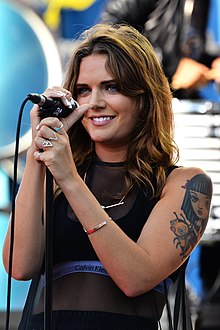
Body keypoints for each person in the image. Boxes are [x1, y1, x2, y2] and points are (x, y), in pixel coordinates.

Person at [3, 23, 213, 329]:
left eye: (112, 87)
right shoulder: (55, 175)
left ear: (144, 97)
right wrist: (40, 152)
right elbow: (19, 266)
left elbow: (135, 278)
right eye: (83, 90)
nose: (96, 102)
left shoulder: (184, 184)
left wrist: (70, 178)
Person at [100, 0, 220, 99]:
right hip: (142, 101)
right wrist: (174, 66)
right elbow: (107, 34)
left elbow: (188, 48)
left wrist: (214, 63)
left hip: (174, 100)